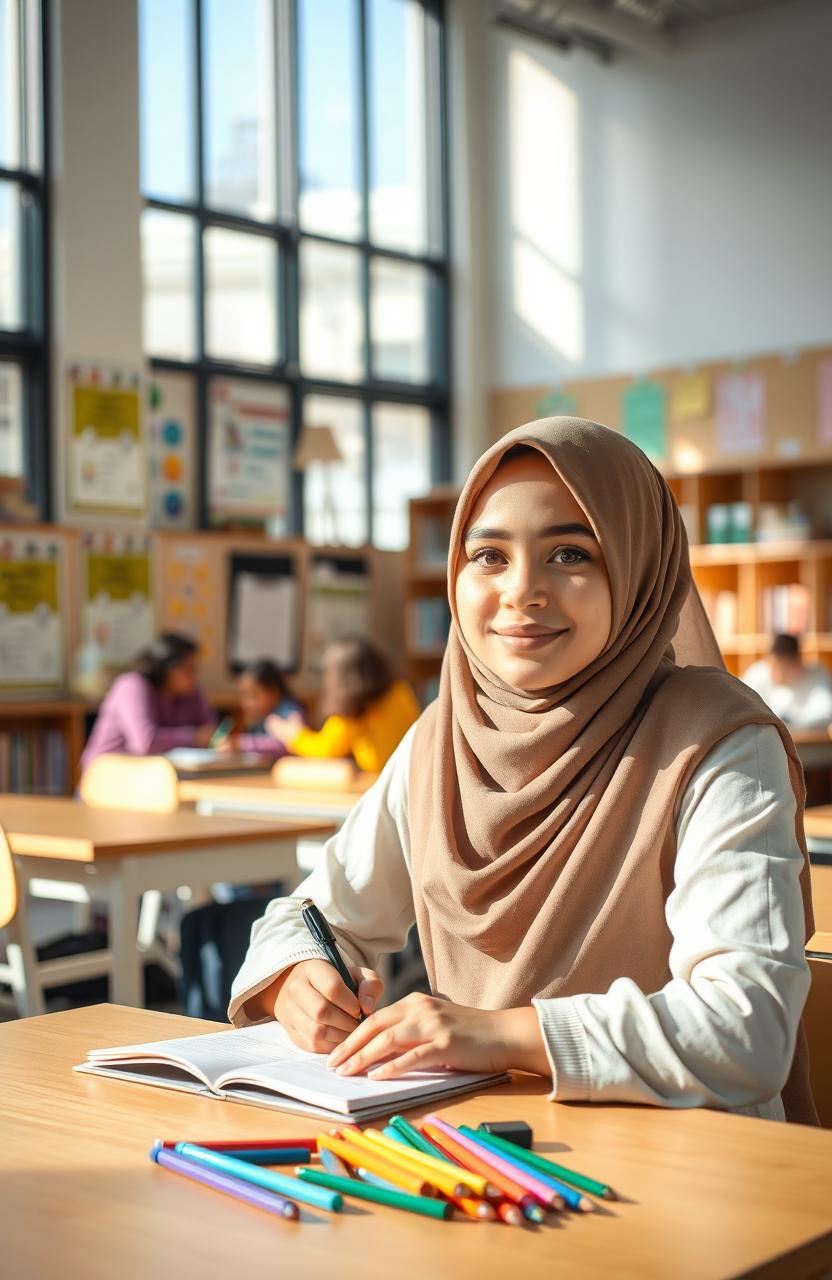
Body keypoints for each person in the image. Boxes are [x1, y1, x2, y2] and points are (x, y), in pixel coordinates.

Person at [229, 419, 816, 1125]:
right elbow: (306, 915)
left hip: (689, 1173)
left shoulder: (719, 740)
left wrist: (496, 1032)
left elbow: (745, 1031)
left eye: (570, 553)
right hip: (483, 1159)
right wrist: (297, 976)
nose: (522, 591)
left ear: (638, 569)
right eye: (489, 556)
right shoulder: (441, 742)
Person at [265, 636, 420, 773]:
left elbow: (326, 749)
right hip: (412, 774)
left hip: (380, 781)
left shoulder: (352, 708)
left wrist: (292, 736)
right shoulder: (400, 691)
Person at [81, 632, 215, 771]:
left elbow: (211, 734)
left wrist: (217, 740)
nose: (194, 677)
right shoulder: (132, 685)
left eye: (196, 670)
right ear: (167, 669)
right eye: (188, 670)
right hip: (110, 776)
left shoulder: (191, 691)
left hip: (159, 776)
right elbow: (145, 742)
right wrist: (195, 737)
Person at [216, 659, 306, 759]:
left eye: (253, 696)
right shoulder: (261, 715)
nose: (245, 703)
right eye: (243, 695)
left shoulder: (289, 711)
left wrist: (242, 744)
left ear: (273, 693)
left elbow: (287, 743)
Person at [742, 634, 832, 730]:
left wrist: (792, 724)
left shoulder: (816, 674)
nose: (777, 673)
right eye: (773, 665)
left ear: (797, 662)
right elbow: (741, 707)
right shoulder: (758, 673)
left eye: (783, 667)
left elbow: (826, 714)